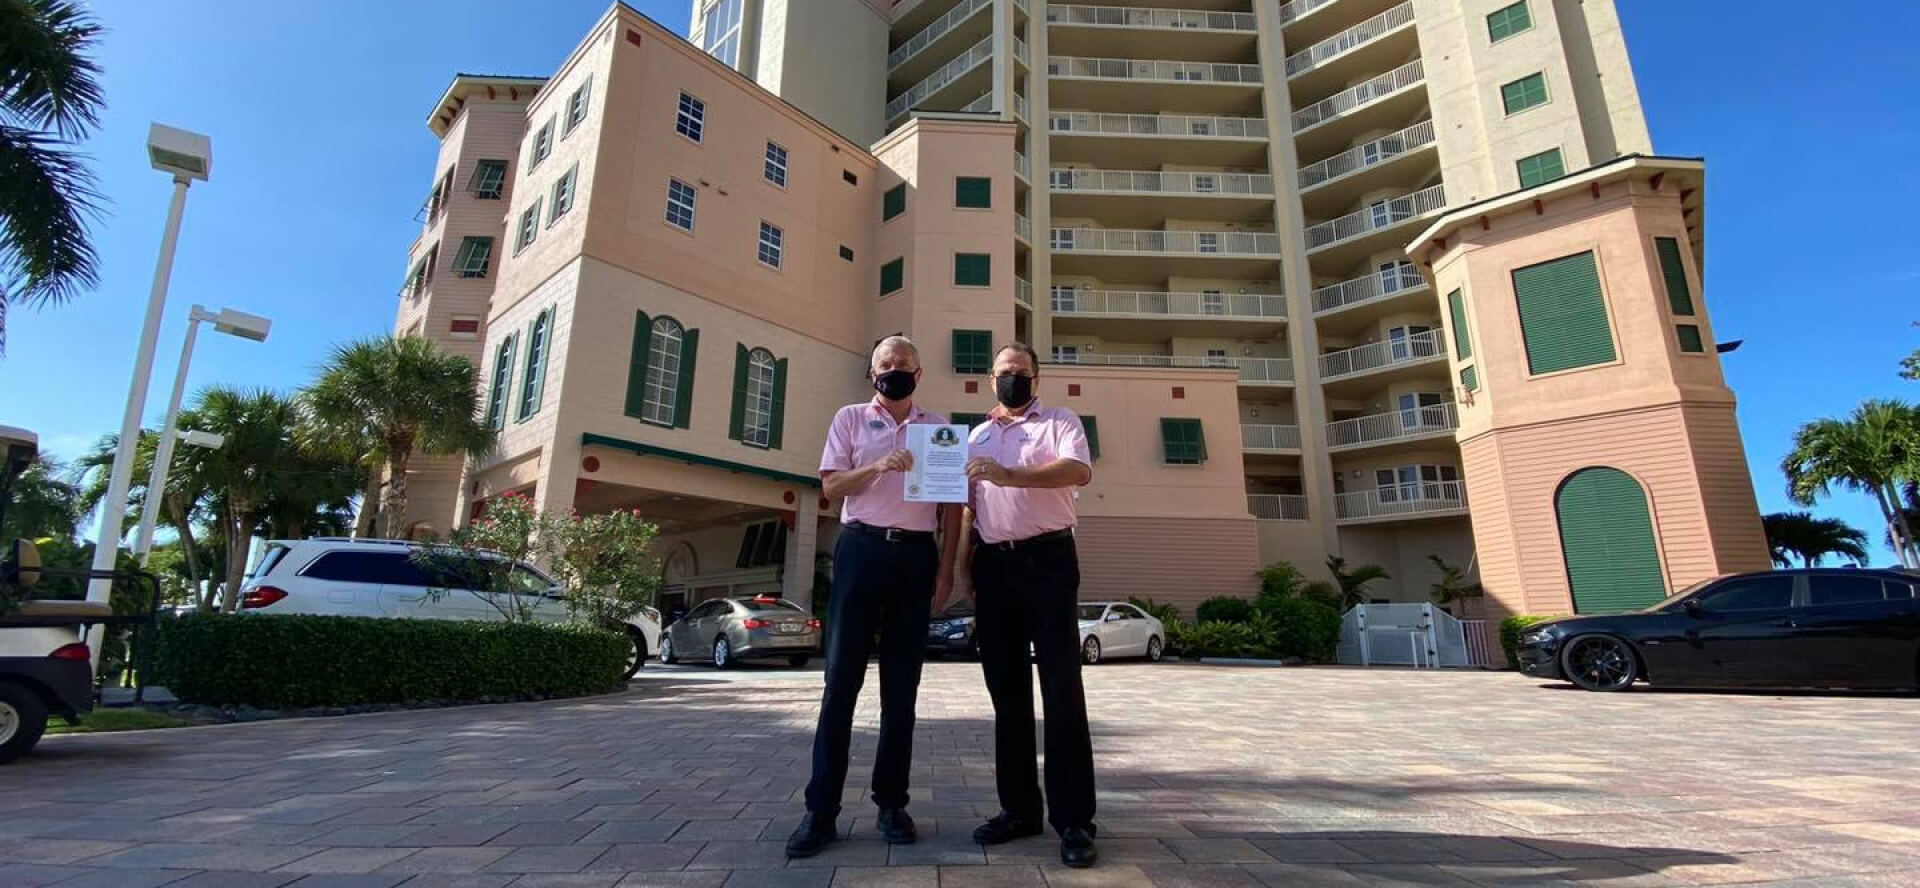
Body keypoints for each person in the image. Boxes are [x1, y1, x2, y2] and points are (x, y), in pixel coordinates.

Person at [788, 335, 960, 858]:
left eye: (904, 363)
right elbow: (831, 487)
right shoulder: (849, 419)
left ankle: (891, 804)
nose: (894, 370)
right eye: (886, 363)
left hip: (915, 557)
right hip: (860, 550)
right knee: (840, 683)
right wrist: (879, 467)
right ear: (872, 372)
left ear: (919, 373)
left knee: (901, 689)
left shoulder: (938, 429)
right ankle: (821, 811)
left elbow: (952, 506)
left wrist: (946, 571)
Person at [958, 342, 1099, 868]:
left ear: (1036, 379)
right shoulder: (976, 436)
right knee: (1006, 692)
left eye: (1020, 372)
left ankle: (1075, 820)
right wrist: (965, 569)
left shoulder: (1060, 421)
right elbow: (969, 508)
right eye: (1003, 372)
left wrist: (1010, 474)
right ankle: (1018, 810)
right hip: (994, 565)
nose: (1011, 379)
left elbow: (1076, 470)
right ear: (990, 378)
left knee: (1061, 688)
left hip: (1048, 560)